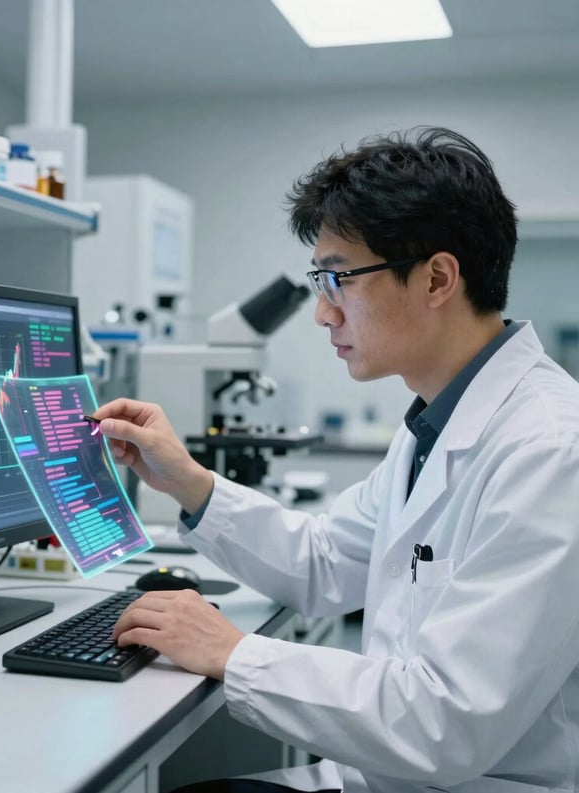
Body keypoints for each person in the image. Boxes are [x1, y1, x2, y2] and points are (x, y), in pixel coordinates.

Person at [96, 127, 579, 793]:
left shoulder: (550, 449)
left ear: (437, 277)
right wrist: (191, 482)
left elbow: (446, 722)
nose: (323, 313)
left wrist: (233, 651)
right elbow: (325, 558)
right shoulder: (435, 422)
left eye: (337, 278)